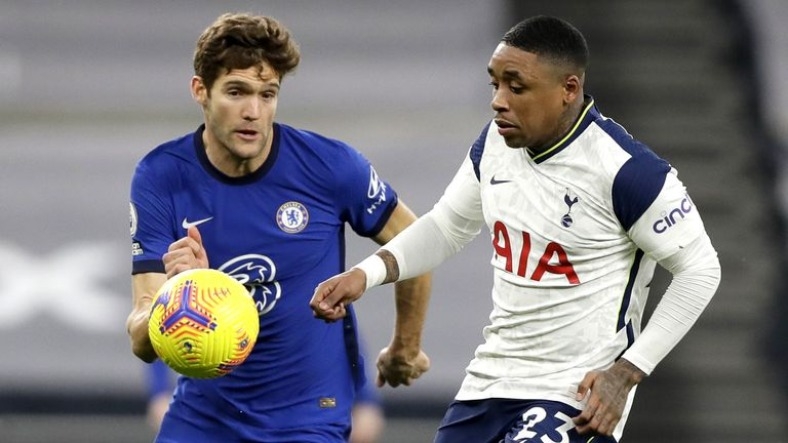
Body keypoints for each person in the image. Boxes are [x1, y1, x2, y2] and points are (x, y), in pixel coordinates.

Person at [311, 15, 721, 443]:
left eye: (516, 87)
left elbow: (700, 270)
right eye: (495, 85)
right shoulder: (495, 143)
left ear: (568, 89)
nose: (498, 101)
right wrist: (365, 274)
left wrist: (627, 372)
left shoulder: (627, 171)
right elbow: (447, 227)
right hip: (489, 383)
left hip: (574, 393)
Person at [126, 12, 431, 442]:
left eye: (267, 94)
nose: (253, 111)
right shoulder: (161, 176)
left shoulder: (330, 167)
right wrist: (177, 295)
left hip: (307, 417)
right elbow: (141, 341)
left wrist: (405, 346)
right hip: (203, 417)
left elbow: (419, 244)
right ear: (200, 91)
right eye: (236, 91)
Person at [143, 359, 386, 442]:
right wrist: (160, 390)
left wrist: (366, 399)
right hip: (218, 409)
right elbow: (172, 317)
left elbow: (336, 328)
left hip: (290, 409)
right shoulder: (212, 277)